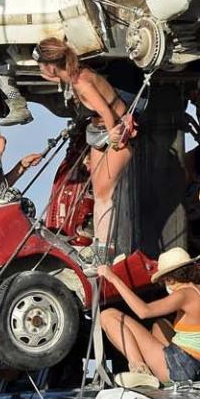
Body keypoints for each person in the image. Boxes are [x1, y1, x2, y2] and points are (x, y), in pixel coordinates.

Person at [34, 38, 135, 258]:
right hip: (97, 132)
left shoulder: (82, 84)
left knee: (104, 194)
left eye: (42, 65)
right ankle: (100, 244)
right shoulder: (76, 72)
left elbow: (108, 113)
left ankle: (103, 251)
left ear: (52, 66)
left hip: (113, 130)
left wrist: (115, 138)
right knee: (98, 189)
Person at [97, 247, 200, 384]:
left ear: (169, 278)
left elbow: (143, 312)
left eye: (164, 280)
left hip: (181, 369)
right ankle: (152, 368)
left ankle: (139, 370)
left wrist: (113, 278)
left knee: (107, 315)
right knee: (160, 324)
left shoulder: (184, 295)